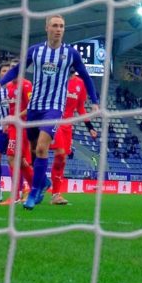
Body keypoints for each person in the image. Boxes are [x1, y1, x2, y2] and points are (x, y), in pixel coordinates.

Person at [0, 15, 101, 210]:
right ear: (47, 28)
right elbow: (16, 70)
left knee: (42, 148)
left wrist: (95, 101)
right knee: (33, 153)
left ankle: (33, 192)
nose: (58, 29)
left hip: (54, 108)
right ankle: (41, 184)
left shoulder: (71, 54)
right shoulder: (35, 51)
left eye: (62, 26)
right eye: (55, 26)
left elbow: (85, 76)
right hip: (34, 107)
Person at [49, 71, 99, 206]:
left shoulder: (80, 83)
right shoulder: (56, 77)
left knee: (62, 159)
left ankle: (55, 194)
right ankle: (38, 184)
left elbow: (80, 108)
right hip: (54, 120)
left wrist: (90, 127)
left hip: (68, 126)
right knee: (58, 153)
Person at [0, 61, 33, 205]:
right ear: (0, 74)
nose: (7, 73)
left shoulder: (19, 86)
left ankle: (28, 188)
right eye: (4, 71)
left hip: (18, 126)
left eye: (9, 70)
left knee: (19, 159)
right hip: (3, 127)